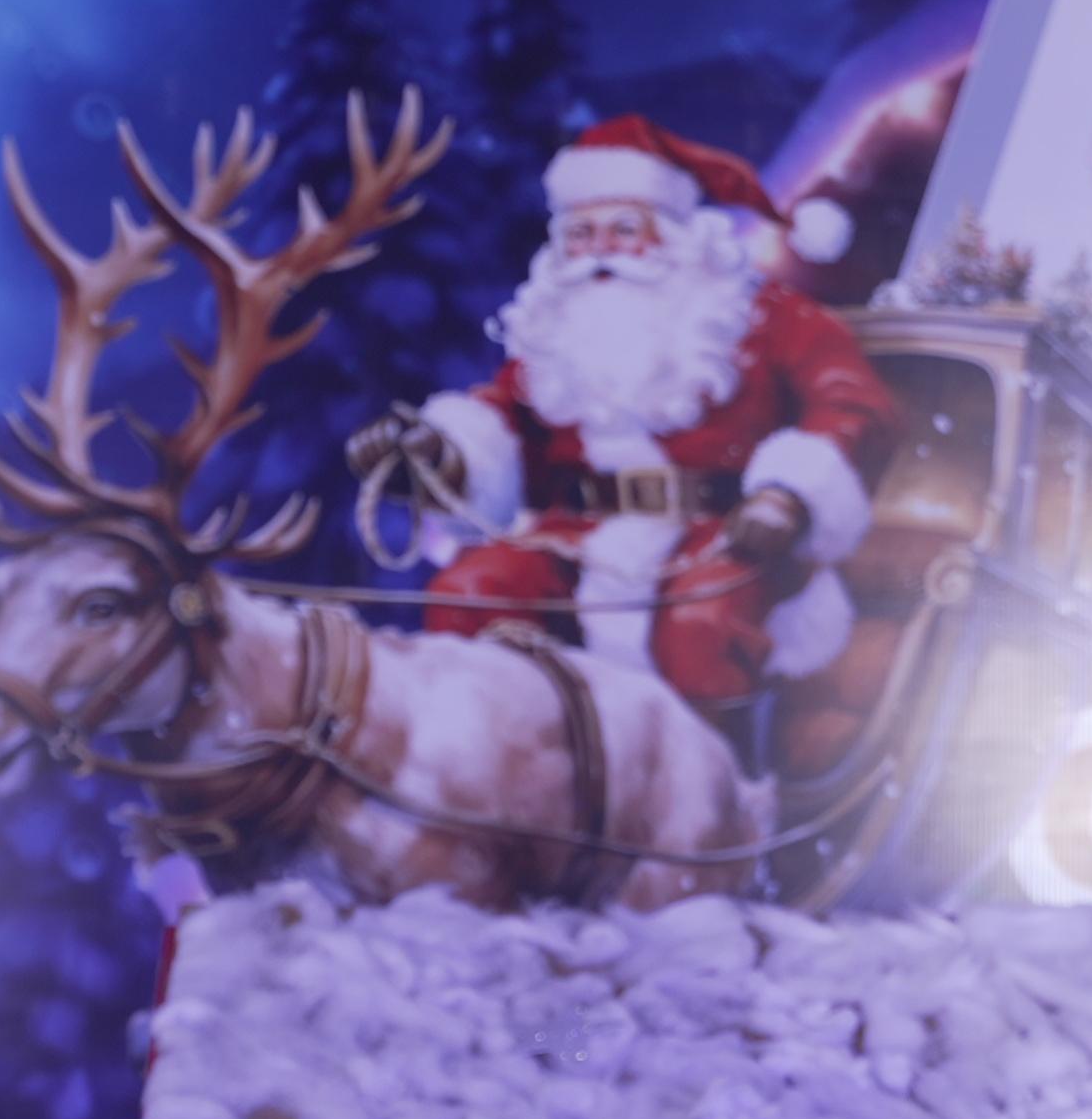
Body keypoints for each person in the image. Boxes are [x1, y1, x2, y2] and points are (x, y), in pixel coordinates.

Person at [351, 116, 894, 723]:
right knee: (473, 592)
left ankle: (722, 777)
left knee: (700, 625)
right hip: (576, 540)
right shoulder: (557, 335)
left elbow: (851, 402)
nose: (600, 250)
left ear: (674, 234)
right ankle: (502, 764)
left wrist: (786, 497)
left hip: (725, 536)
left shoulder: (757, 315)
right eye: (581, 233)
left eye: (624, 229)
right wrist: (437, 457)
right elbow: (501, 422)